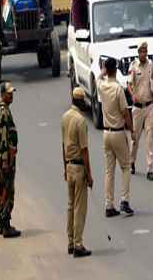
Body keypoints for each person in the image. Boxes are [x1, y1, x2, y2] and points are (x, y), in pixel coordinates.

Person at [97, 57, 134, 218]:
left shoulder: (102, 85)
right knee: (125, 167)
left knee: (109, 171)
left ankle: (108, 204)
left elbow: (98, 78)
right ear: (116, 70)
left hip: (106, 133)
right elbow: (125, 113)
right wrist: (131, 130)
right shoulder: (118, 89)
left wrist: (102, 72)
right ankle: (124, 200)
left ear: (106, 69)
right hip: (118, 132)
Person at [62, 87, 93, 257]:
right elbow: (84, 150)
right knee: (79, 208)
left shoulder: (65, 117)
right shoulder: (80, 121)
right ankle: (78, 244)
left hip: (68, 165)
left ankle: (70, 241)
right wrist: (89, 174)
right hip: (79, 167)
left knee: (70, 206)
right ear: (80, 101)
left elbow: (63, 145)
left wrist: (64, 167)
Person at [0, 83, 21, 238]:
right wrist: (5, 161)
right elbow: (4, 138)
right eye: (9, 94)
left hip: (7, 155)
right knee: (8, 190)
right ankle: (5, 225)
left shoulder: (3, 109)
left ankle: (2, 222)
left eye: (12, 93)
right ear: (3, 94)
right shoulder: (3, 112)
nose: (11, 96)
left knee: (4, 188)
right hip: (7, 157)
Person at [129, 42, 153, 180]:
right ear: (138, 52)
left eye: (146, 51)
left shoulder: (151, 65)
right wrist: (132, 95)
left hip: (149, 107)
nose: (144, 54)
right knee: (135, 139)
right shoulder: (134, 66)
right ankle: (132, 161)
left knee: (149, 138)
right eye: (142, 51)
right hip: (137, 109)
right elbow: (129, 84)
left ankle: (149, 169)